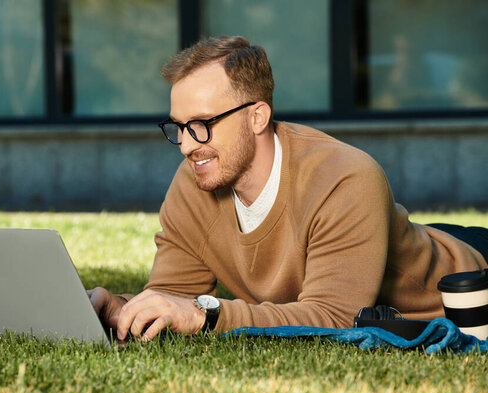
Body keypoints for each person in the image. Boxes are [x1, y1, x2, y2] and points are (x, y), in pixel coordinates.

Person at [88, 35, 488, 342]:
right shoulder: (195, 183)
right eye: (179, 127)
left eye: (202, 124)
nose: (189, 145)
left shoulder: (346, 179)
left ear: (257, 116)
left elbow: (335, 320)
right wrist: (118, 309)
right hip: (383, 239)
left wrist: (208, 315)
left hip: (463, 277)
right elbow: (174, 296)